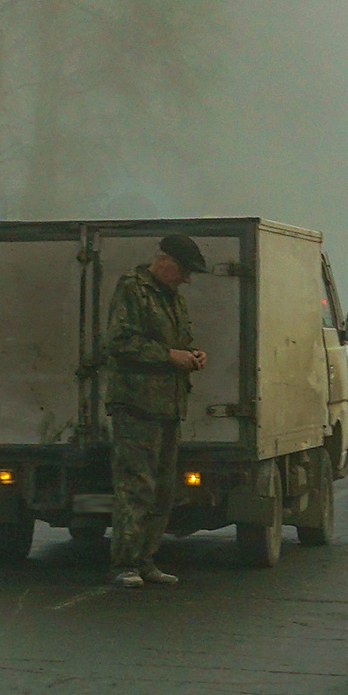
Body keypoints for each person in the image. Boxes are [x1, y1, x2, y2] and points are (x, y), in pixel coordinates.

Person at [103, 234, 208, 588]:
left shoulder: (171, 299)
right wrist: (168, 357)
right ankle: (125, 562)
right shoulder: (133, 290)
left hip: (167, 405)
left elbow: (178, 343)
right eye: (184, 270)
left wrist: (191, 355)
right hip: (136, 405)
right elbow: (118, 342)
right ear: (164, 261)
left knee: (163, 489)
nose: (186, 279)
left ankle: (146, 558)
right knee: (136, 486)